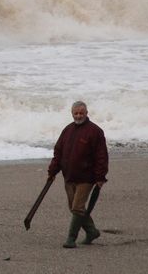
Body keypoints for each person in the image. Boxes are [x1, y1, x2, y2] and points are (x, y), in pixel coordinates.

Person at [47, 100, 108, 248]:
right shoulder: (67, 130)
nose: (79, 115)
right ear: (72, 113)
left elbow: (102, 156)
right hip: (69, 176)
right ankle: (92, 231)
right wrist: (52, 171)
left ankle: (71, 239)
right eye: (76, 113)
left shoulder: (95, 131)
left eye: (81, 113)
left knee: (77, 208)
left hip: (86, 178)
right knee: (74, 208)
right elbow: (58, 152)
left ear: (87, 113)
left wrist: (100, 177)